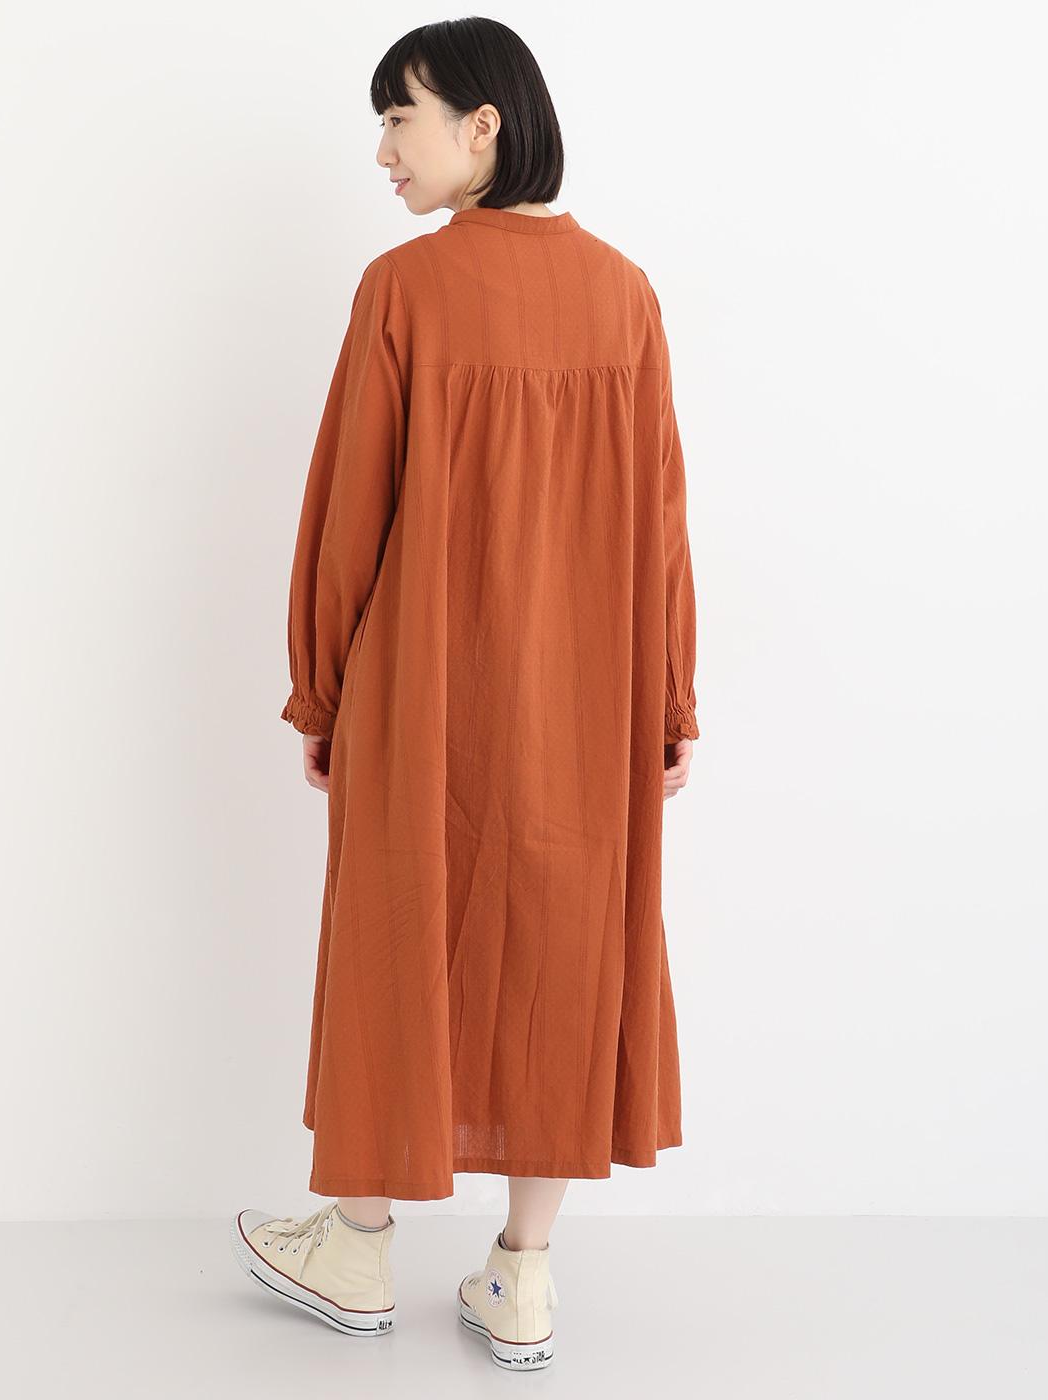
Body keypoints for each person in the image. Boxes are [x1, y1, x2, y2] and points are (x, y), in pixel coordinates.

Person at [232, 18, 699, 1371]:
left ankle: (357, 1244)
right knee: (559, 945)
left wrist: (322, 692)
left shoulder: (405, 291)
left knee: (399, 932)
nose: (384, 151)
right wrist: (668, 701)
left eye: (401, 118)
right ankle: (522, 1277)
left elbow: (348, 514)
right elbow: (662, 524)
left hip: (422, 689)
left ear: (482, 124)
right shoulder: (626, 295)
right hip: (585, 700)